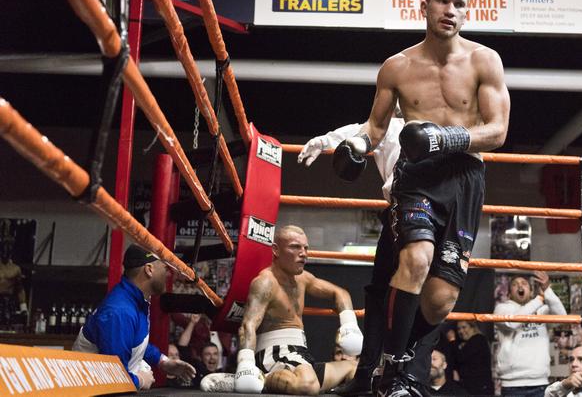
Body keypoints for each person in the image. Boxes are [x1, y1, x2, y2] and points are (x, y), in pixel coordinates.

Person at [331, 0, 510, 397]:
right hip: (417, 179)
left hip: (464, 177)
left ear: (467, 12)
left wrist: (448, 137)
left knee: (440, 299)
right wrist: (356, 145)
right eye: (443, 2)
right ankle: (396, 373)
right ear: (424, 7)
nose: (450, 11)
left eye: (459, 5)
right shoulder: (397, 66)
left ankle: (399, 359)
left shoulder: (485, 61)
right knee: (415, 259)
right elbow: (376, 126)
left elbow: (499, 130)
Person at [299, 110, 440, 397]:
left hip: (429, 213)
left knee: (425, 298)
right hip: (400, 212)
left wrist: (325, 141)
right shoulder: (388, 126)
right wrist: (324, 141)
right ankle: (369, 376)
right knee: (381, 295)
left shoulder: (437, 125)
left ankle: (410, 378)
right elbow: (358, 132)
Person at [234, 225, 362, 395]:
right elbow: (247, 326)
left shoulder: (303, 279)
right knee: (308, 386)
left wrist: (349, 325)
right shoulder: (265, 282)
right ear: (276, 250)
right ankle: (257, 378)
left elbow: (340, 293)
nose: (303, 253)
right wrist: (246, 364)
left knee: (356, 371)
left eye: (305, 248)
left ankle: (260, 380)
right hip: (274, 353)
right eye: (295, 247)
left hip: (300, 355)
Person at [72, 244, 196, 390]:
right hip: (90, 390)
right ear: (149, 270)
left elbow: (133, 341)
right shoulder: (120, 312)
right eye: (165, 268)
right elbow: (113, 376)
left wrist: (163, 361)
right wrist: (140, 380)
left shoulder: (135, 301)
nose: (168, 274)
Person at [494, 272, 567, 396]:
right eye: (515, 285)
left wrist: (547, 289)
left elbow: (562, 317)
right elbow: (512, 323)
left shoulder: (542, 310)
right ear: (510, 292)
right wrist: (539, 299)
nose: (520, 286)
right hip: (512, 384)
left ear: (530, 290)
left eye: (524, 284)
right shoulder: (502, 308)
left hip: (539, 381)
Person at [177, 313, 223, 388]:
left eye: (215, 354)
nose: (212, 357)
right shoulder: (195, 370)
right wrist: (192, 323)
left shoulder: (222, 376)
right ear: (201, 357)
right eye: (208, 354)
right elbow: (182, 347)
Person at [453, 321, 493, 395]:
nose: (461, 331)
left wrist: (452, 340)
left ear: (473, 327)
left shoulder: (479, 339)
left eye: (464, 327)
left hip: (480, 388)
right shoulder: (463, 343)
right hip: (472, 387)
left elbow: (460, 357)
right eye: (458, 329)